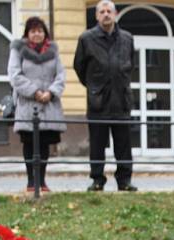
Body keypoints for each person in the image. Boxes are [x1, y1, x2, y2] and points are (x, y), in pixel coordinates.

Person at [74, 0, 137, 192]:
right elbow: (79, 67)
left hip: (121, 99)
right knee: (97, 144)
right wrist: (94, 86)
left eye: (109, 11)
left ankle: (124, 181)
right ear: (96, 16)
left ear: (116, 13)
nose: (106, 14)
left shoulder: (127, 38)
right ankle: (97, 180)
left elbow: (130, 64)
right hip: (98, 101)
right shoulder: (86, 38)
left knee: (124, 145)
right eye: (102, 11)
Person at [8, 17, 66, 193]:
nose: (37, 34)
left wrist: (50, 92)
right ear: (27, 33)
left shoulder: (53, 51)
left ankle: (42, 180)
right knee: (30, 143)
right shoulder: (18, 50)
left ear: (45, 33)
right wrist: (35, 91)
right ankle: (31, 181)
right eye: (33, 31)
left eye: (40, 30)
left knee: (44, 144)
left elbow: (61, 76)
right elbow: (14, 75)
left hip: (49, 105)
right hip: (28, 104)